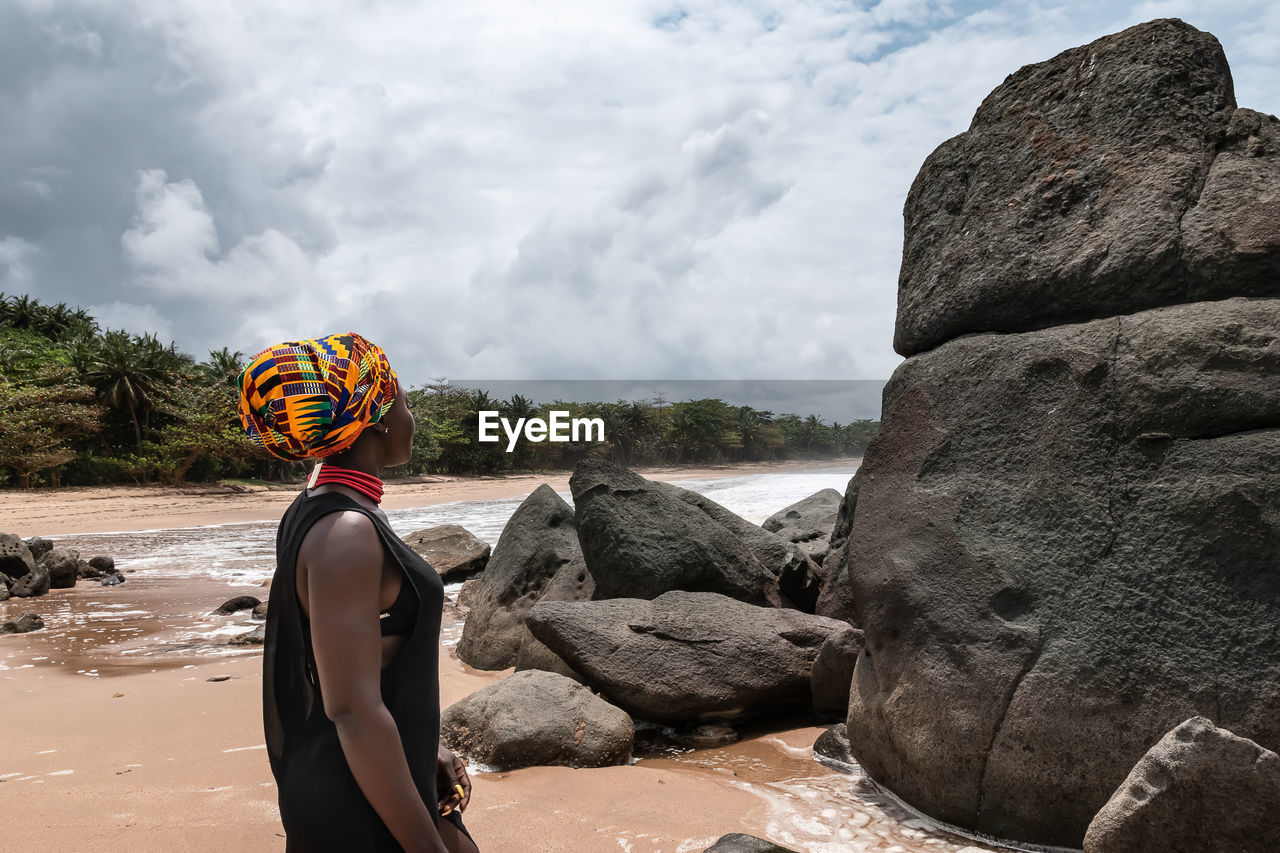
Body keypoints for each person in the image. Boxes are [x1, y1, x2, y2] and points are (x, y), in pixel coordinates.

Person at [238, 332, 478, 853]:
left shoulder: (322, 503)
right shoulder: (346, 529)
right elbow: (352, 709)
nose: (412, 418)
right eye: (406, 402)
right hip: (358, 804)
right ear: (377, 416)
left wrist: (425, 749)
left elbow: (365, 666)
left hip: (377, 777)